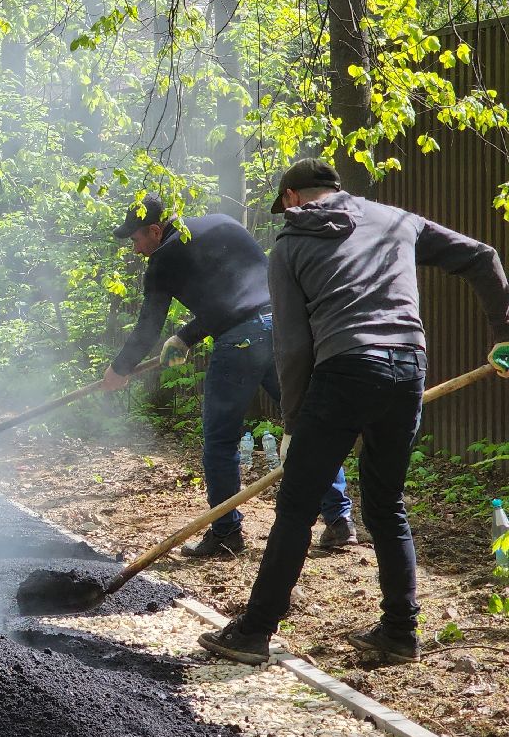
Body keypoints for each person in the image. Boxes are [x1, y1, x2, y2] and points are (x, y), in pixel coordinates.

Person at [199, 159, 509, 666]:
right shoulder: (396, 221)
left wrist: (296, 422)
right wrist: (503, 332)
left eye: (284, 205)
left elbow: (293, 347)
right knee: (386, 504)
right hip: (409, 364)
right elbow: (482, 255)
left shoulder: (290, 246)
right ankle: (399, 633)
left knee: (297, 506)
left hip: (343, 369)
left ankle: (253, 632)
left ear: (294, 198)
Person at [104, 194, 354, 558]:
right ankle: (340, 520)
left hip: (240, 340)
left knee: (220, 441)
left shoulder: (163, 258)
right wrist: (187, 338)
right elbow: (256, 288)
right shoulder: (224, 223)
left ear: (155, 231)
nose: (136, 248)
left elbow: (149, 324)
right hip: (283, 330)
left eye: (137, 239)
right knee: (306, 425)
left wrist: (120, 368)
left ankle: (226, 533)